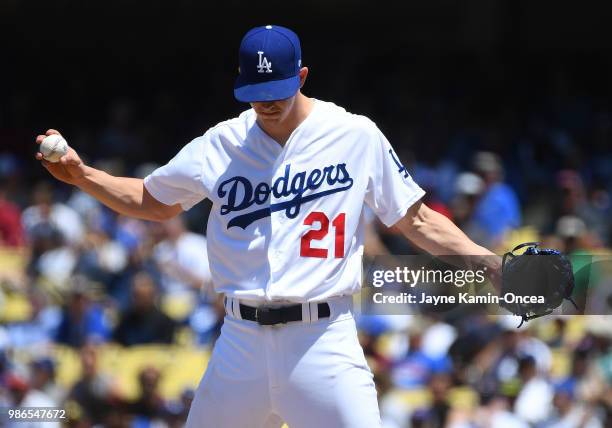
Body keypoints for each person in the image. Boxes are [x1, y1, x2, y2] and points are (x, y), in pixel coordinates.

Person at [35, 24, 500, 428]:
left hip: (323, 338)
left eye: (276, 90)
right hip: (240, 340)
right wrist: (83, 176)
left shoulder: (354, 135)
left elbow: (413, 218)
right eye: (255, 93)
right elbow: (152, 201)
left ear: (301, 76)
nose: (266, 104)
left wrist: (489, 265)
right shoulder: (222, 143)